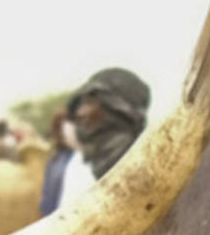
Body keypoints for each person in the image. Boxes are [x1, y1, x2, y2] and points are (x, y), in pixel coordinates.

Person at [50, 66, 150, 212]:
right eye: (81, 104)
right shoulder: (78, 165)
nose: (79, 113)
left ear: (117, 108)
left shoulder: (147, 163)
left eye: (89, 102)